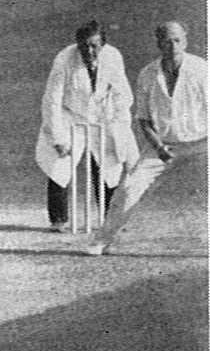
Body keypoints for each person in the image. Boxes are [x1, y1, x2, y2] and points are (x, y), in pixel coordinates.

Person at [88, 21, 207, 254]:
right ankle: (101, 240)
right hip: (163, 146)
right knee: (129, 188)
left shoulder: (202, 69)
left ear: (185, 41)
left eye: (177, 40)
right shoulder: (147, 74)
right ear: (158, 43)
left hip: (203, 142)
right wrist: (159, 147)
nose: (172, 46)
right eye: (166, 40)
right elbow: (143, 119)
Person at [36, 20, 137, 231]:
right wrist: (58, 138)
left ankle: (112, 218)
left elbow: (123, 95)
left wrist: (119, 127)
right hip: (69, 115)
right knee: (59, 165)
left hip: (101, 117)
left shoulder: (113, 57)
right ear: (77, 44)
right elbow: (52, 100)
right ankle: (58, 220)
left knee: (109, 165)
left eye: (94, 46)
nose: (89, 51)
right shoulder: (64, 58)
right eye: (84, 46)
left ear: (103, 45)